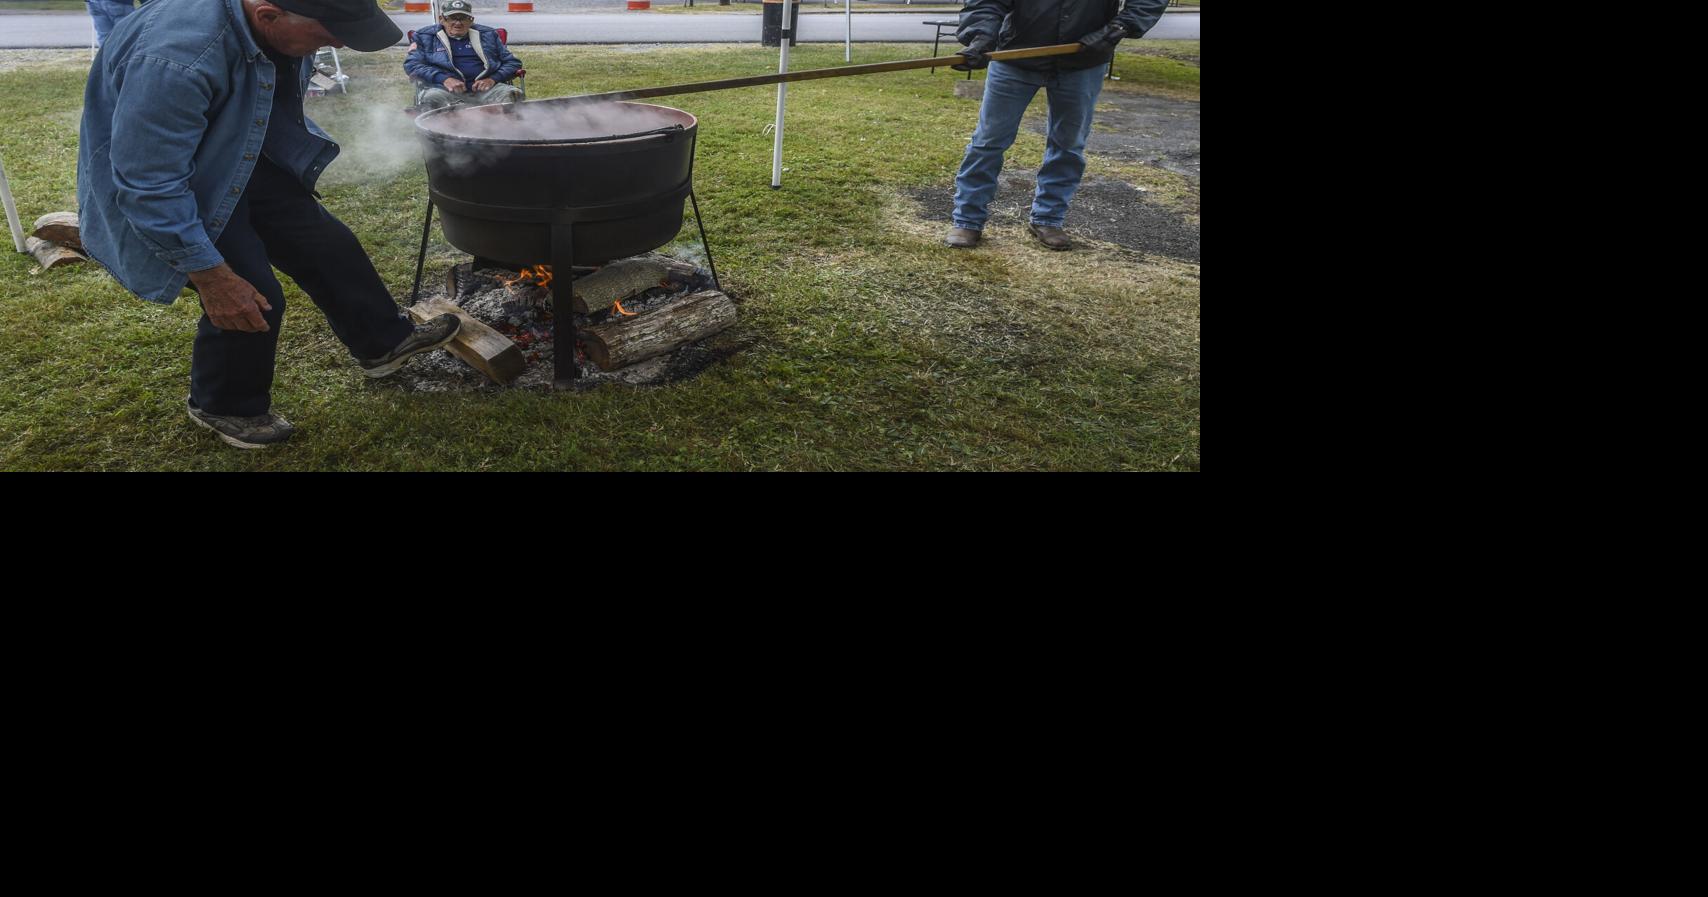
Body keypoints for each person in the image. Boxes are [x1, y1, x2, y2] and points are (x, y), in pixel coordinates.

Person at [78, 0, 460, 449]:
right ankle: (222, 404)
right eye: (327, 32)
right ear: (267, 15)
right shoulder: (176, 59)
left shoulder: (273, 25)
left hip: (236, 150)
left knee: (324, 241)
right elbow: (148, 182)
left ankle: (382, 343)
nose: (336, 42)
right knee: (251, 293)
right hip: (179, 179)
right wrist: (210, 276)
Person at [944, 0, 1168, 251]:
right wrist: (981, 36)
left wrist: (1119, 27)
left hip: (1084, 58)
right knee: (988, 141)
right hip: (1015, 57)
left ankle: (1048, 218)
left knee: (1068, 145)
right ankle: (967, 220)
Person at [404, 0, 524, 112]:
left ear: (471, 20)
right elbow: (412, 65)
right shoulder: (425, 36)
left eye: (463, 18)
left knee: (512, 95)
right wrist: (443, 79)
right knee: (432, 98)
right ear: (442, 19)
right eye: (452, 18)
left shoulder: (489, 35)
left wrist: (492, 79)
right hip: (443, 90)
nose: (458, 23)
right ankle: (439, 134)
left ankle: (507, 132)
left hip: (487, 90)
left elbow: (513, 63)